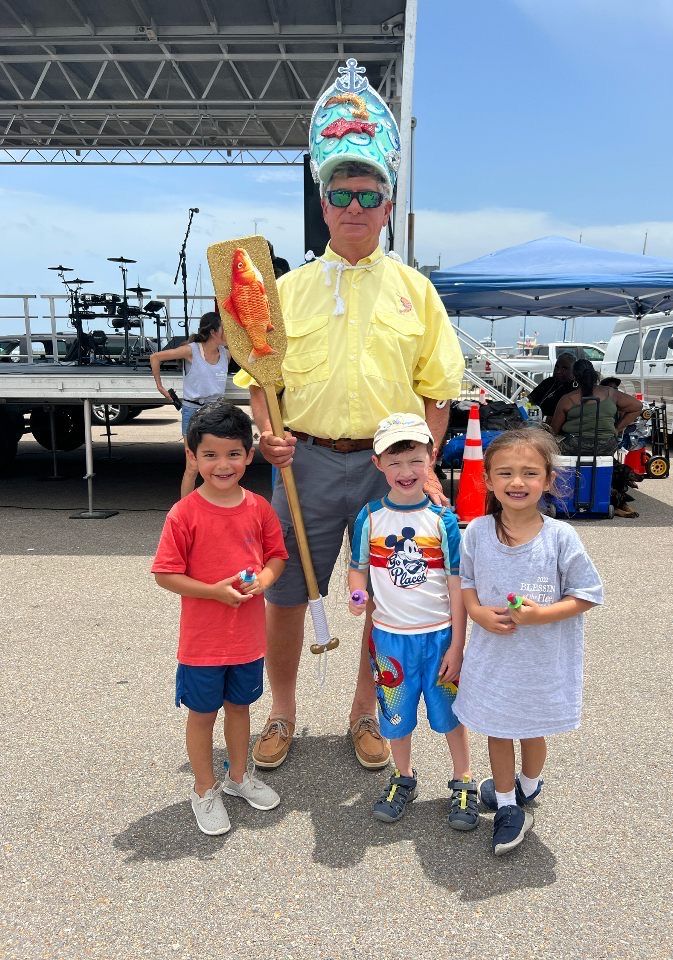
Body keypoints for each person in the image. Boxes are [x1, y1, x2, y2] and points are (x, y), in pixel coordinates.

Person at [236, 60, 465, 773]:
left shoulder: (416, 292)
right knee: (286, 596)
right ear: (324, 202)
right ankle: (283, 715)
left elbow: (438, 389)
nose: (355, 204)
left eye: (369, 192)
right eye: (341, 191)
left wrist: (421, 469)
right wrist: (267, 432)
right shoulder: (284, 290)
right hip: (300, 461)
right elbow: (259, 378)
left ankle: (367, 714)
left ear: (388, 203)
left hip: (387, 470)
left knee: (387, 599)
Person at [453, 428, 603, 855]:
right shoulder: (477, 531)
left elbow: (587, 594)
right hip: (493, 660)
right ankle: (505, 805)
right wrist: (479, 612)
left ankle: (528, 785)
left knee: (532, 732)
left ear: (548, 480)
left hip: (539, 663)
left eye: (529, 473)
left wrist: (541, 616)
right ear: (488, 480)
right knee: (498, 731)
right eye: (505, 473)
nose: (517, 482)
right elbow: (466, 583)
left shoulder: (560, 537)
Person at [151, 402, 288, 836]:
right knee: (201, 714)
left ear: (250, 455)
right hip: (203, 643)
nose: (222, 464)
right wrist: (213, 591)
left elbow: (276, 557)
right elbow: (165, 574)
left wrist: (264, 580)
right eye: (209, 455)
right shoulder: (184, 513)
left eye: (233, 454)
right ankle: (204, 787)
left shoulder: (260, 508)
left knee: (240, 708)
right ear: (192, 457)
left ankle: (238, 776)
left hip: (247, 640)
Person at [348, 413, 477, 829]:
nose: (406, 472)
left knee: (450, 717)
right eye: (395, 461)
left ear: (432, 457)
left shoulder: (443, 521)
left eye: (415, 460)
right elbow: (358, 568)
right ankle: (403, 777)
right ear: (377, 464)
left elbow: (458, 586)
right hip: (389, 641)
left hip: (439, 639)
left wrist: (458, 645)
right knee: (395, 717)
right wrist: (356, 593)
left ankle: (463, 780)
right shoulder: (368, 516)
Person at [149, 312, 230, 498]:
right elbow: (155, 357)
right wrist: (160, 387)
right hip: (193, 411)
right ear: (213, 332)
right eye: (224, 329)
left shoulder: (226, 354)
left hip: (216, 411)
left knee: (217, 463)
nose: (228, 333)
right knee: (193, 466)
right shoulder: (192, 350)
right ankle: (184, 512)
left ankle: (214, 506)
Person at [550, 358, 643, 455]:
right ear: (593, 373)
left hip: (573, 447)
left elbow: (554, 430)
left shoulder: (567, 399)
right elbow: (637, 406)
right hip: (607, 446)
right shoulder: (610, 392)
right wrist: (617, 429)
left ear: (574, 377)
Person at [526, 352, 576, 419]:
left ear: (574, 371)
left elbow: (562, 419)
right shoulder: (548, 382)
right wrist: (529, 411)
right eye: (556, 367)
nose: (558, 371)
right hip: (534, 421)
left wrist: (537, 416)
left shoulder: (575, 389)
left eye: (564, 368)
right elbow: (529, 400)